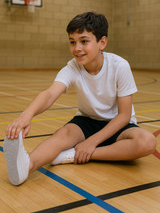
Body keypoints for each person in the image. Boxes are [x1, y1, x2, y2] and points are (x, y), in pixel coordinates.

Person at [4, 12, 156, 186]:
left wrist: (91, 143)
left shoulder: (119, 66)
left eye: (84, 41)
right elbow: (50, 93)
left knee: (147, 142)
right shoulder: (72, 67)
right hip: (86, 121)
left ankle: (71, 154)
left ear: (102, 42)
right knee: (63, 134)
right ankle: (27, 166)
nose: (77, 48)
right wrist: (26, 115)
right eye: (72, 42)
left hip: (118, 125)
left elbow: (124, 116)